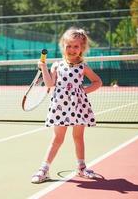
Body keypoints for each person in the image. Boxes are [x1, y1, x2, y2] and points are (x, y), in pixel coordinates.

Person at [31, 27, 102, 183]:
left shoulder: (83, 67)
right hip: (60, 107)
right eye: (68, 46)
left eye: (76, 46)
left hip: (79, 107)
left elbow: (98, 82)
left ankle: (81, 168)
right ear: (63, 46)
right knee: (57, 139)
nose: (71, 49)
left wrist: (83, 92)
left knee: (78, 137)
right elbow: (50, 84)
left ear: (82, 48)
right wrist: (43, 67)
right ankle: (44, 170)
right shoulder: (56, 65)